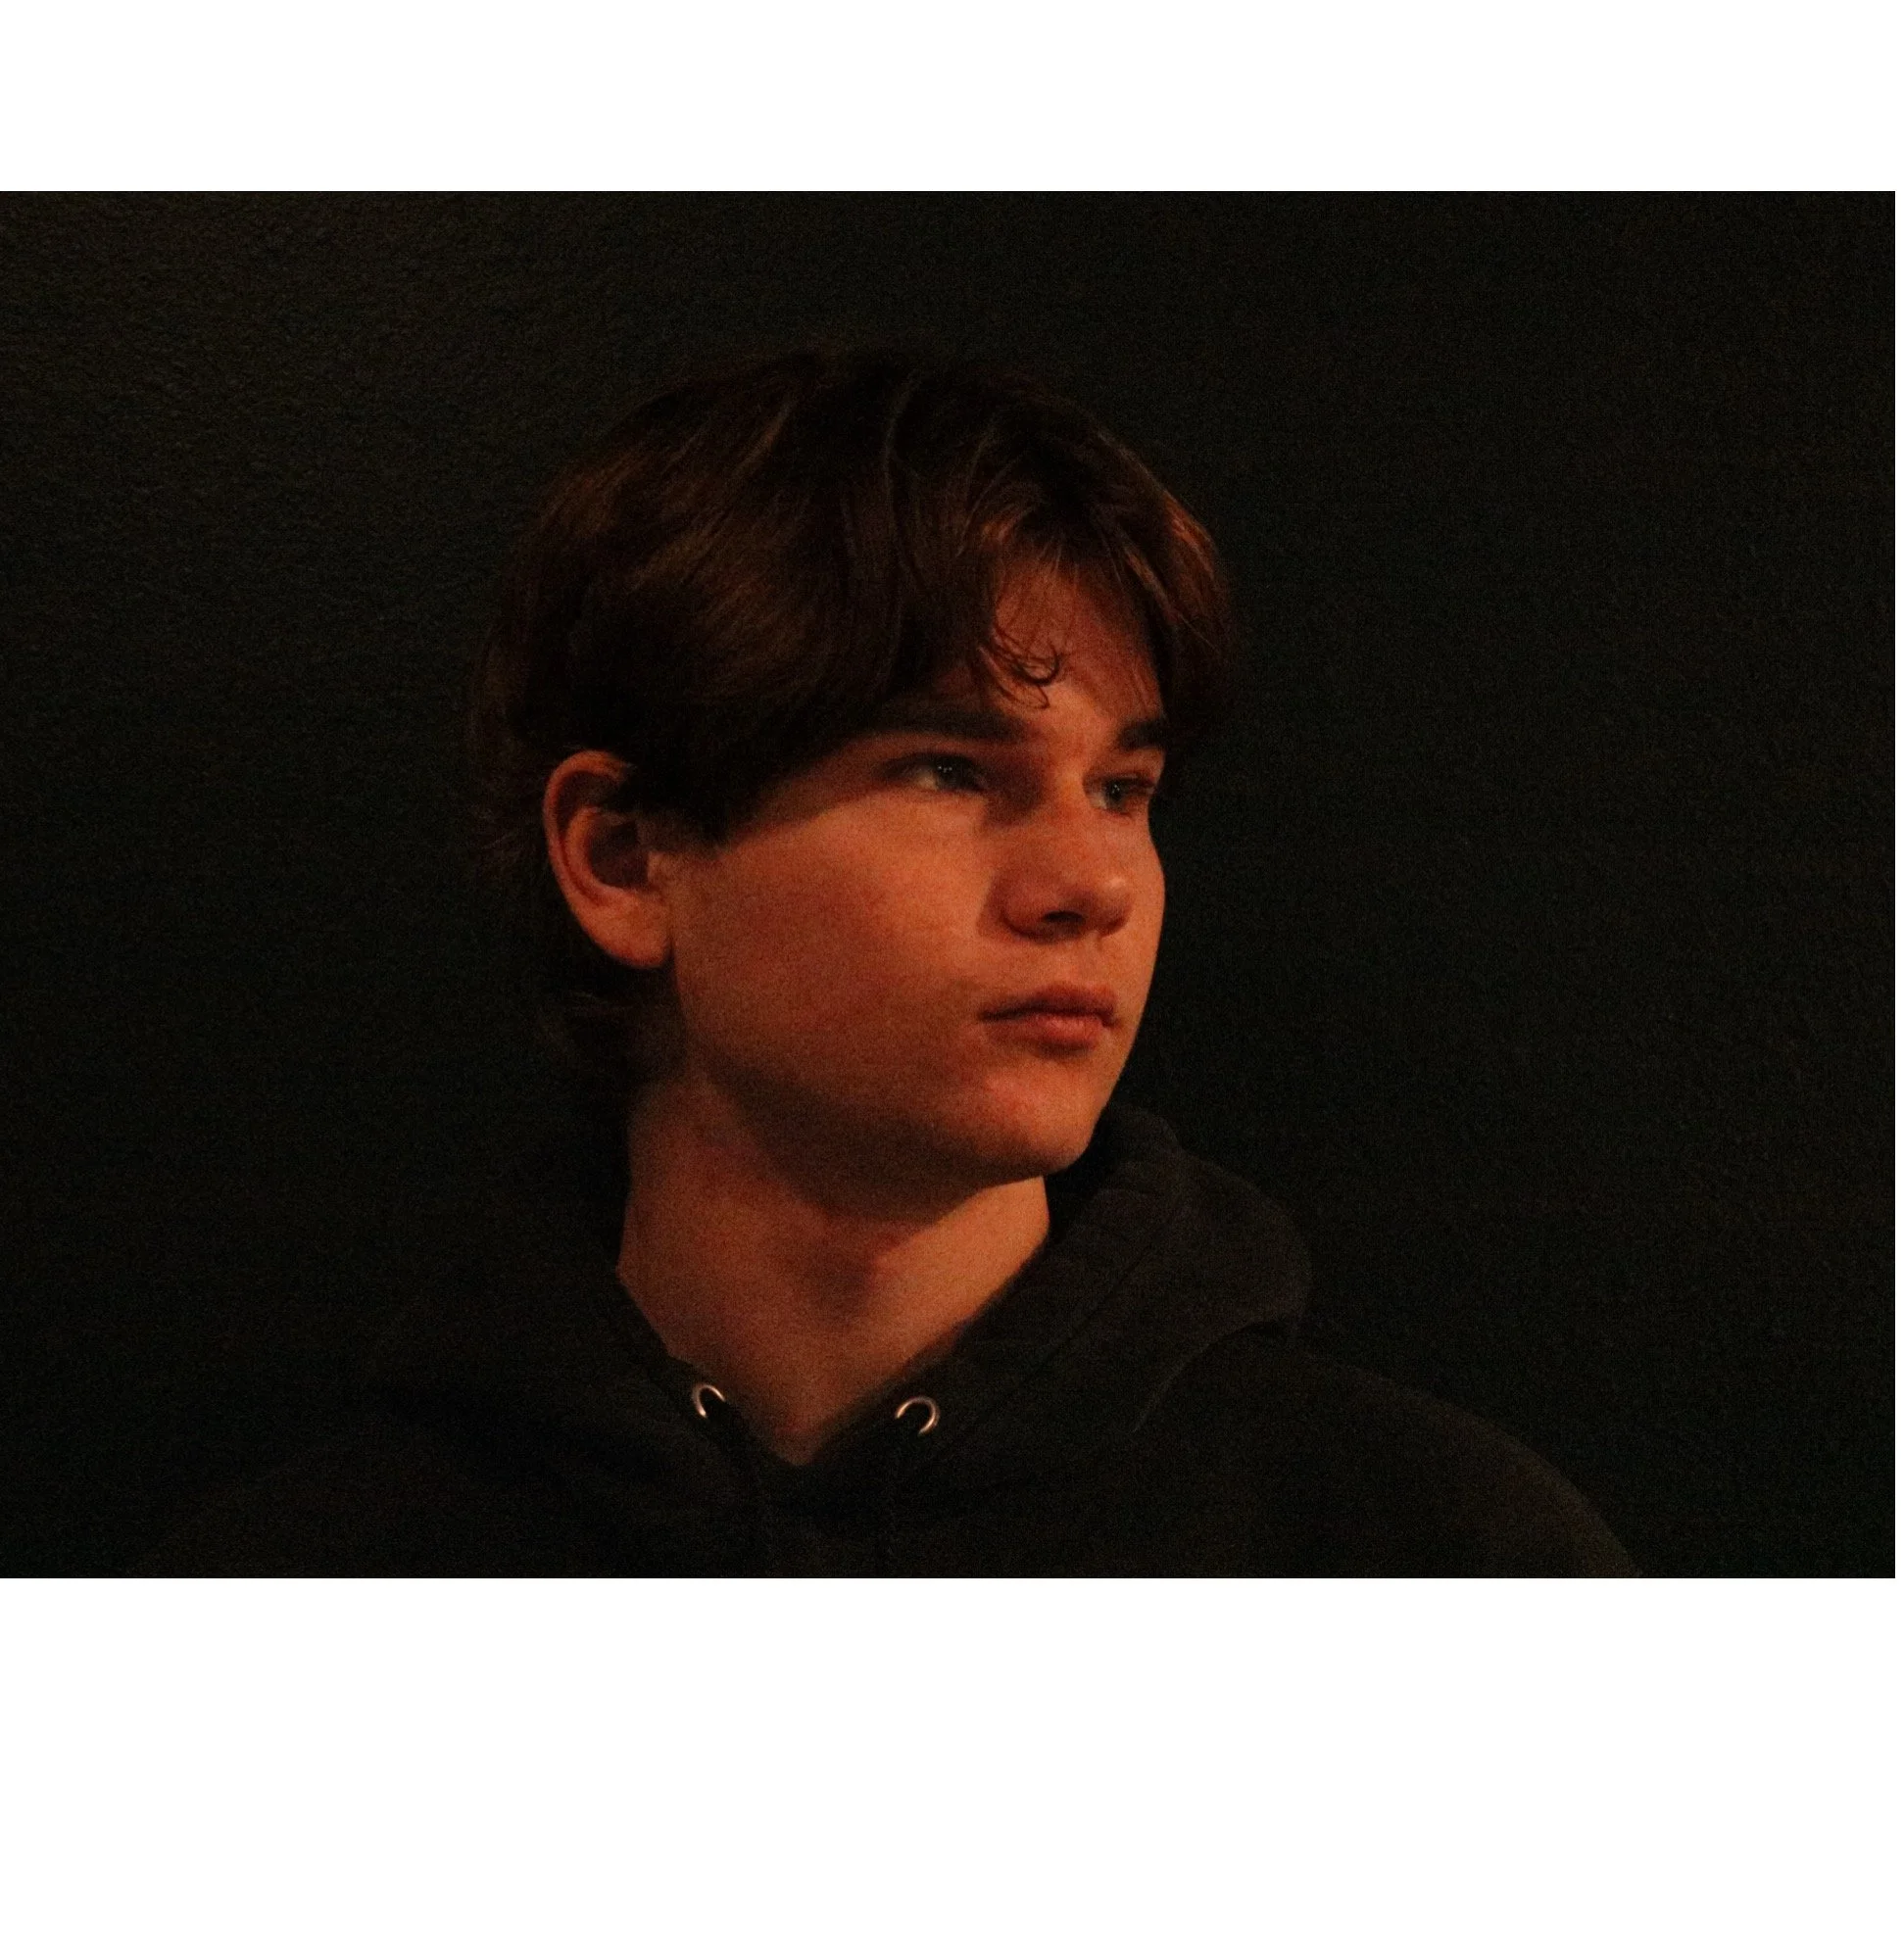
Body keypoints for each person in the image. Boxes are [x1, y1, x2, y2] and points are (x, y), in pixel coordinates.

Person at [141, 350, 1633, 1575]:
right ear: (621, 857)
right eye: (946, 772)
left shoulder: (1440, 1559)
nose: (1091, 884)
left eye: (1123, 789)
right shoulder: (298, 1581)